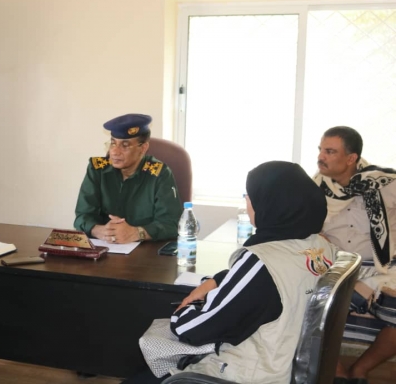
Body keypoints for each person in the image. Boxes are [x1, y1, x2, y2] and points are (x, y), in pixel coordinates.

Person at [125, 161, 339, 384]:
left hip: (251, 374)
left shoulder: (262, 262)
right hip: (289, 364)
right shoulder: (322, 247)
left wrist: (183, 311)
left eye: (250, 196)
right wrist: (218, 280)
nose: (247, 202)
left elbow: (195, 330)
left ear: (268, 204)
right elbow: (268, 287)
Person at [314, 126, 396, 384]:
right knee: (307, 307)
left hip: (382, 266)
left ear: (351, 158)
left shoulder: (386, 183)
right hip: (333, 264)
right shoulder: (314, 188)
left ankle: (360, 369)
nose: (321, 157)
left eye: (330, 151)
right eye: (320, 150)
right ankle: (337, 369)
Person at [74, 113, 183, 244]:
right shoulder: (97, 170)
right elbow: (82, 216)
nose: (115, 151)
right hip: (105, 247)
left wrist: (137, 233)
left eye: (125, 145)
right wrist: (98, 230)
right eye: (113, 144)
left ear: (143, 148)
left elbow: (171, 224)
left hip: (146, 251)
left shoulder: (159, 174)